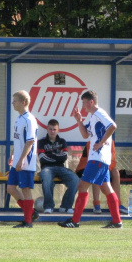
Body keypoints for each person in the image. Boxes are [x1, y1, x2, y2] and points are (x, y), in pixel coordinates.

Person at [58, 90, 122, 228]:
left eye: (84, 103)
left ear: (91, 102)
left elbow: (113, 126)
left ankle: (75, 221)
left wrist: (101, 142)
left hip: (98, 158)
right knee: (106, 189)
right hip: (99, 158)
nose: (83, 106)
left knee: (82, 186)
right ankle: (117, 222)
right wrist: (79, 120)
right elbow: (85, 135)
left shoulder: (99, 113)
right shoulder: (93, 116)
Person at [7, 90, 39, 228]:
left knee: (25, 189)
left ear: (23, 102)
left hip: (26, 162)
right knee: (10, 188)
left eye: (15, 100)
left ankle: (28, 221)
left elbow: (30, 142)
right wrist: (14, 154)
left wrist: (21, 160)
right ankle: (30, 212)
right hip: (17, 161)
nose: (13, 103)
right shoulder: (19, 118)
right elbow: (19, 140)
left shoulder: (29, 119)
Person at [37, 119, 80, 214]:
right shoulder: (41, 142)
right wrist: (57, 157)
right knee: (46, 179)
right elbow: (42, 158)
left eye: (54, 129)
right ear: (47, 129)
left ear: (58, 130)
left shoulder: (62, 141)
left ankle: (66, 206)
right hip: (46, 168)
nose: (52, 131)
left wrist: (50, 156)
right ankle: (48, 206)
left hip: (61, 168)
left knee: (76, 180)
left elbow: (64, 157)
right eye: (50, 129)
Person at [75, 140, 128, 214]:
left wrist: (106, 169)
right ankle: (96, 204)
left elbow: (112, 160)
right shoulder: (92, 141)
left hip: (104, 167)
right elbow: (90, 160)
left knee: (115, 172)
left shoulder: (110, 142)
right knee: (97, 171)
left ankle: (117, 204)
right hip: (86, 167)